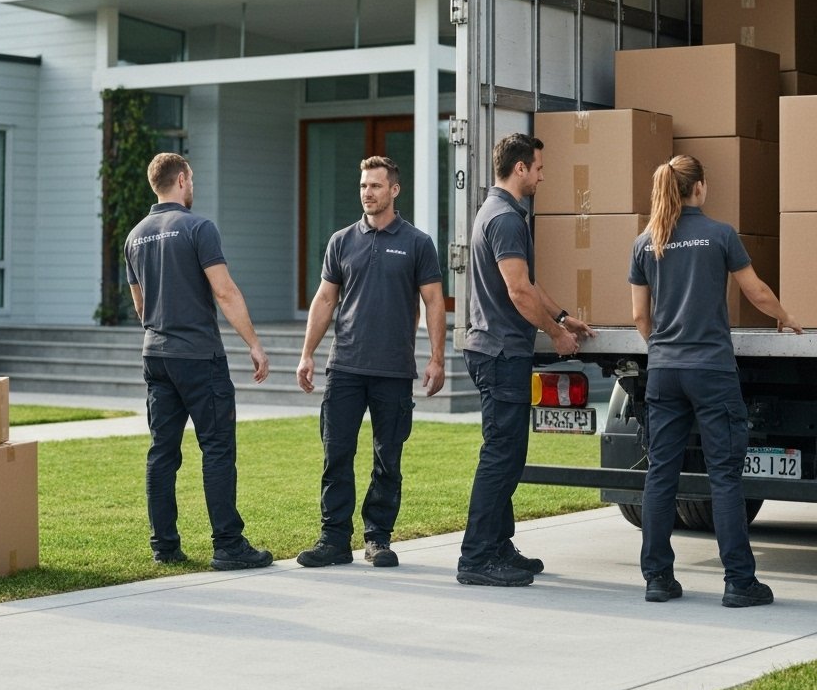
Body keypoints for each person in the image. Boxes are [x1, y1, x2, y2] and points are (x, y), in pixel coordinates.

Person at [629, 155, 802, 608]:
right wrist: (786, 318)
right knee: (724, 476)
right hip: (711, 371)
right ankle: (739, 583)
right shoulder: (721, 234)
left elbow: (638, 317)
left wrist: (664, 349)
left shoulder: (645, 242)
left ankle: (658, 579)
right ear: (699, 188)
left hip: (664, 372)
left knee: (661, 473)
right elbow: (756, 291)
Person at [295, 155, 447, 569]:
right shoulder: (342, 240)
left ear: (394, 190)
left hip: (394, 369)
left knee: (387, 458)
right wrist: (307, 353)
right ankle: (333, 539)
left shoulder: (417, 242)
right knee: (336, 454)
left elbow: (434, 301)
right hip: (344, 366)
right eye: (363, 185)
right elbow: (325, 299)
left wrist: (436, 358)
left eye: (375, 186)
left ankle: (378, 538)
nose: (367, 193)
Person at [458, 133, 595, 587]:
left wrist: (561, 317)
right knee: (501, 455)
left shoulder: (496, 211)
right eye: (537, 167)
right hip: (500, 353)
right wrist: (554, 335)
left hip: (496, 349)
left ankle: (498, 546)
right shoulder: (507, 219)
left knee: (509, 454)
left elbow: (527, 286)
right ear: (519, 168)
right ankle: (477, 556)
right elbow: (517, 291)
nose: (541, 174)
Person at [125, 152, 273, 571]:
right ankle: (228, 545)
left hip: (156, 355)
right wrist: (255, 344)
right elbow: (225, 292)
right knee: (217, 448)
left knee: (162, 451)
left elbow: (139, 305)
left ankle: (164, 546)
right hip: (198, 356)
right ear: (183, 179)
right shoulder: (198, 227)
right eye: (192, 178)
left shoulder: (135, 236)